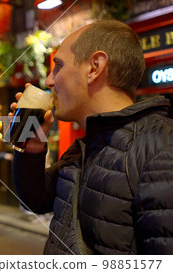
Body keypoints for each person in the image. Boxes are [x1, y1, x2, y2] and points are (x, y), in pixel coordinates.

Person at [10, 20, 173, 254]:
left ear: (95, 67)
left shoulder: (161, 151)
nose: (49, 81)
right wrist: (32, 145)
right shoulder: (84, 147)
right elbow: (35, 199)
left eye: (58, 66)